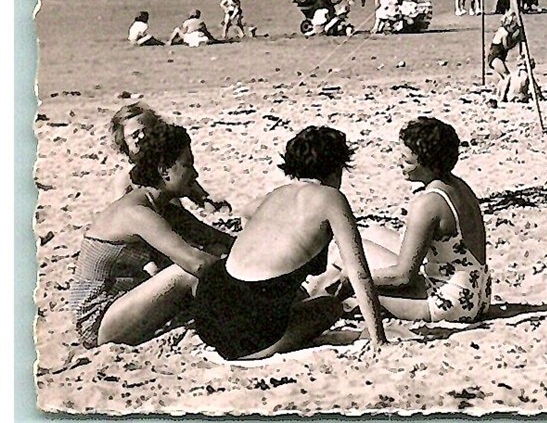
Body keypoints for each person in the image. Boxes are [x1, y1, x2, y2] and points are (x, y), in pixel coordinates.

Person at [190, 126, 386, 361]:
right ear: (337, 168)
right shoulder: (331, 198)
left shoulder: (277, 193)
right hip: (248, 330)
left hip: (210, 304)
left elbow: (246, 212)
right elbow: (358, 271)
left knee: (292, 298)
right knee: (330, 307)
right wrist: (379, 338)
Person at [67, 122, 234, 349]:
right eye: (187, 165)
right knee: (185, 273)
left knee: (214, 251)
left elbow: (223, 241)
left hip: (127, 304)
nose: (195, 173)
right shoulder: (137, 213)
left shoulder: (163, 207)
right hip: (98, 320)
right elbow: (197, 265)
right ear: (164, 170)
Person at [339, 118, 490, 322]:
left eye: (408, 160)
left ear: (429, 165)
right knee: (372, 232)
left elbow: (403, 276)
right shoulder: (457, 186)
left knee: (345, 253)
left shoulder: (429, 203)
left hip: (449, 302)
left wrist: (354, 280)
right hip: (476, 293)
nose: (400, 163)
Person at [106, 102, 227, 210]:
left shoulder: (167, 165)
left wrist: (206, 201)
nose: (142, 137)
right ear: (124, 142)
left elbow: (191, 186)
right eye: (135, 135)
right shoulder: (125, 180)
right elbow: (120, 212)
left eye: (147, 131)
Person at [488, 12, 532, 100]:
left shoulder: (507, 31)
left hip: (501, 57)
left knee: (503, 77)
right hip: (495, 57)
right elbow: (506, 46)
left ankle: (500, 93)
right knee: (507, 76)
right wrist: (515, 38)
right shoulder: (503, 32)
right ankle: (502, 96)